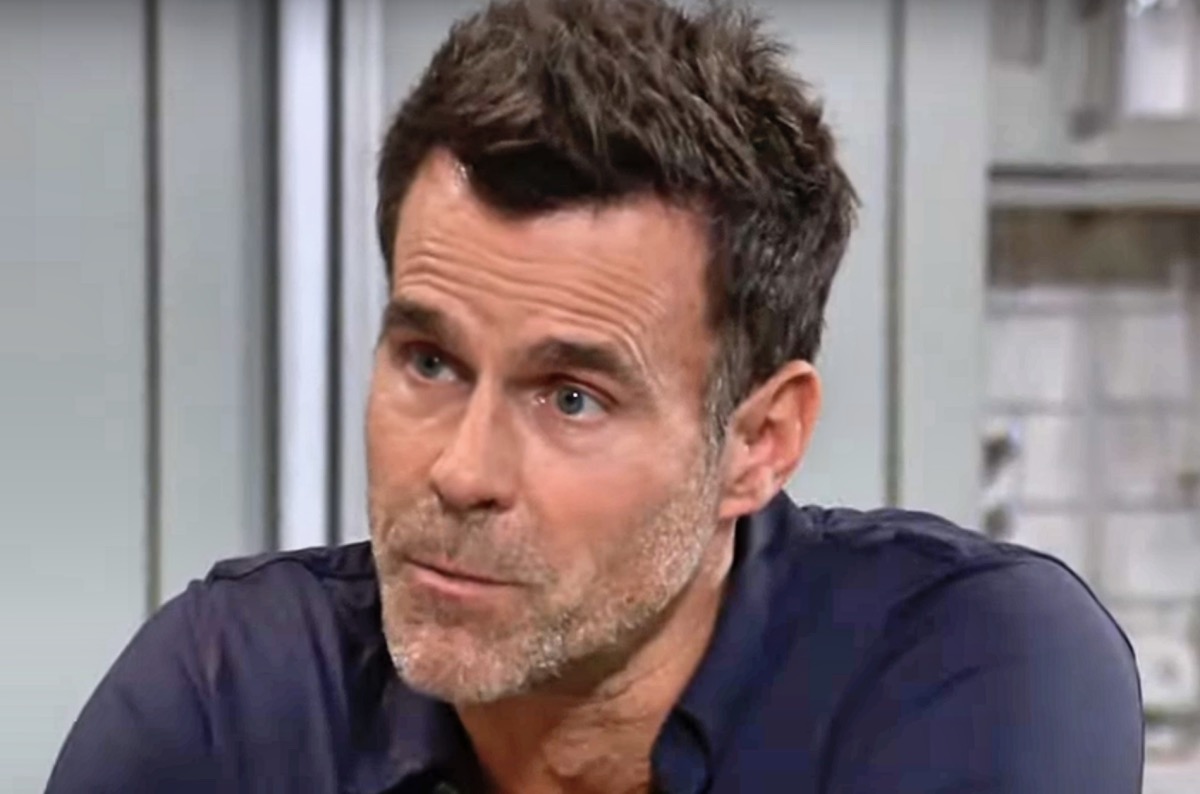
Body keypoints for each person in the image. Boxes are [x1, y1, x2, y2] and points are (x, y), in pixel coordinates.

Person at [47, 0, 1144, 792]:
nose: (461, 471)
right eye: (429, 362)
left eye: (570, 397)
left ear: (758, 442)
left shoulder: (967, 665)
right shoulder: (235, 693)